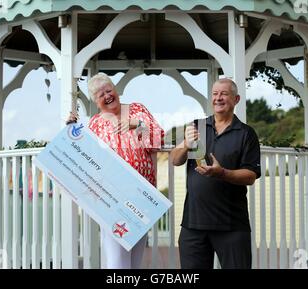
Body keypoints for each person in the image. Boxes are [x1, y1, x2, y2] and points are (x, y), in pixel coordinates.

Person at [67, 72, 164, 269]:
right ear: (95, 101)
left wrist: (137, 125)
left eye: (108, 90)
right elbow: (85, 156)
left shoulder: (137, 110)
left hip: (142, 195)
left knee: (135, 258)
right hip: (112, 197)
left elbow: (157, 142)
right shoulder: (95, 123)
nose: (107, 96)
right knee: (116, 260)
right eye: (100, 95)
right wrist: (71, 131)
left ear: (116, 90)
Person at [170, 78, 261, 269]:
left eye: (224, 94)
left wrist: (222, 173)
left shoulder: (246, 133)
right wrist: (186, 145)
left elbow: (251, 176)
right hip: (193, 225)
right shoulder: (197, 127)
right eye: (215, 94)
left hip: (231, 226)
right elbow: (175, 160)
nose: (218, 98)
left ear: (236, 99)